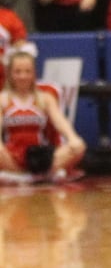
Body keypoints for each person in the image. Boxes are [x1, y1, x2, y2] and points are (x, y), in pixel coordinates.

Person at [0, 49, 85, 181]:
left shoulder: (45, 98)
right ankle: (30, 176)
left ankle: (29, 176)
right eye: (18, 72)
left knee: (79, 146)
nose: (23, 76)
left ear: (34, 73)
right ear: (10, 74)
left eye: (27, 71)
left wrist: (72, 137)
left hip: (41, 157)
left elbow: (60, 121)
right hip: (12, 157)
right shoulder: (3, 100)